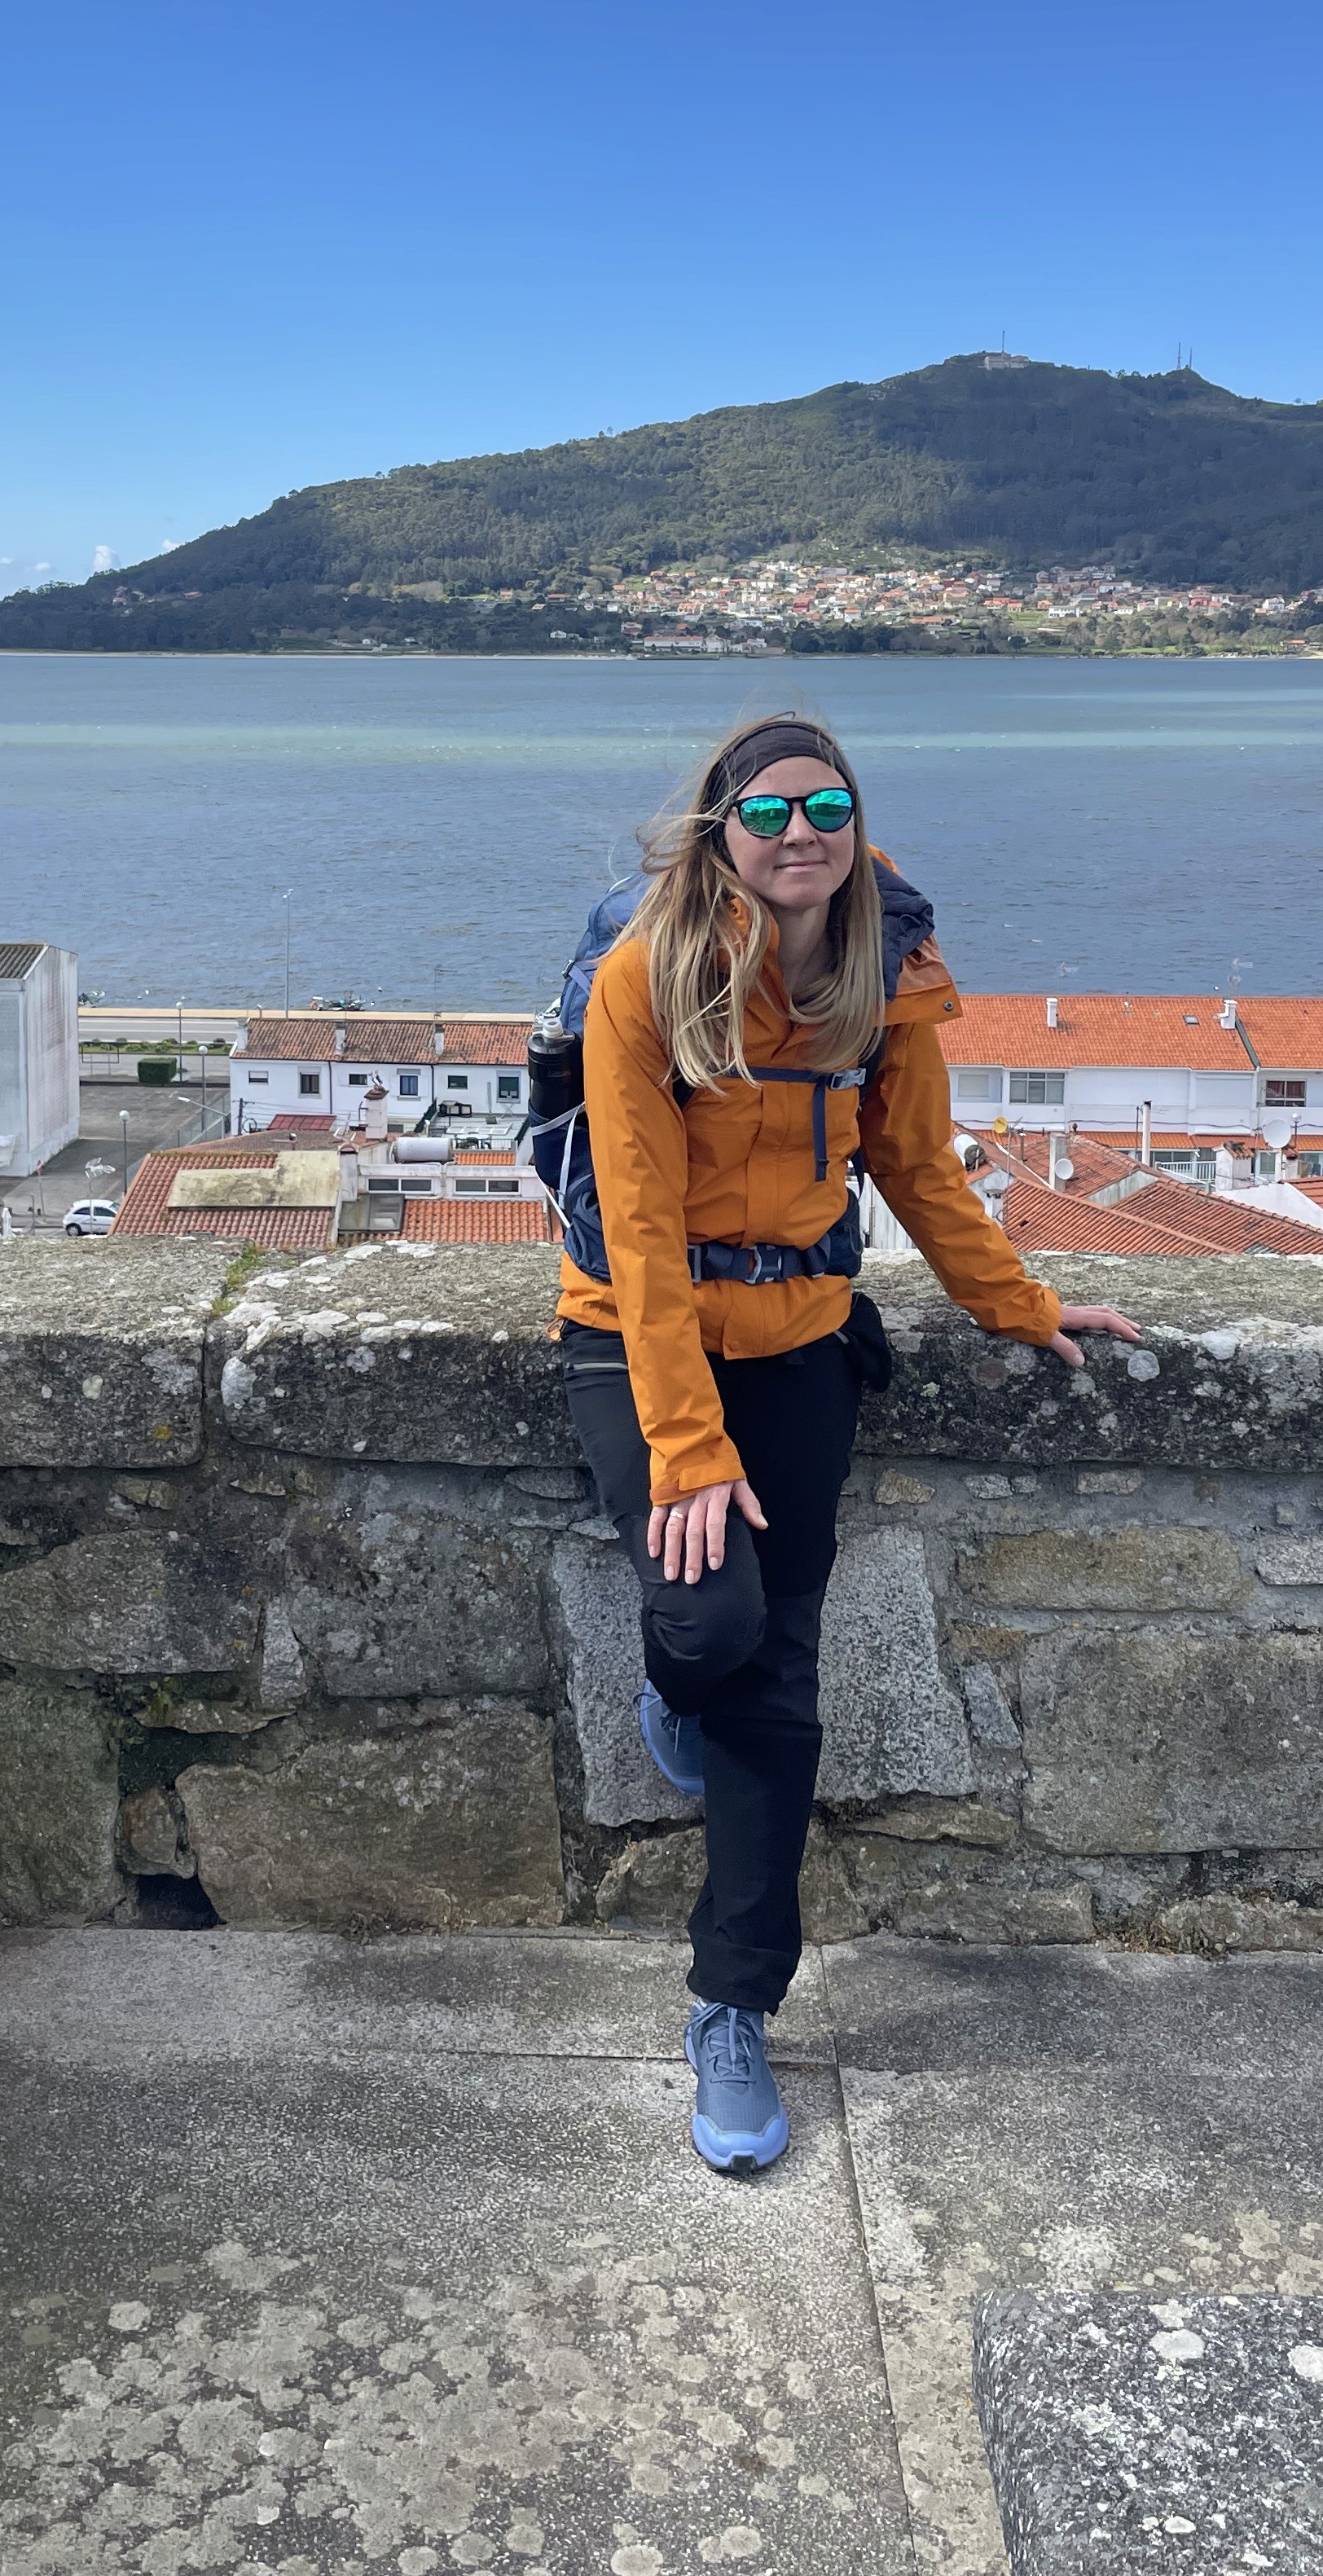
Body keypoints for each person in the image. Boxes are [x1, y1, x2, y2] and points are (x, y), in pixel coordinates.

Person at [556, 714, 1140, 2174]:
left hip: (803, 1333)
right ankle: (674, 1689)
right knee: (708, 1625)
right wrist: (688, 1445)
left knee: (776, 1672)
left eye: (827, 807)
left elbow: (919, 1164)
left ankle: (732, 2007)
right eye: (769, 812)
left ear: (856, 823)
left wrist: (1019, 1306)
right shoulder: (648, 976)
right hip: (635, 1333)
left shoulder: (888, 969)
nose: (801, 833)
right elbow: (639, 1224)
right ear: (721, 833)